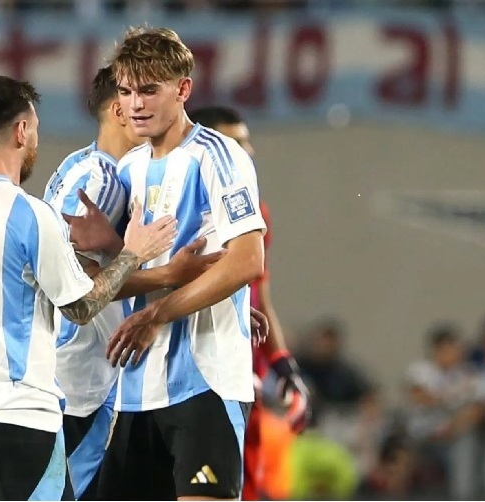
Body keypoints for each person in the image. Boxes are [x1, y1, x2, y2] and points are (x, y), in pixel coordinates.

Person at [0, 75, 177, 501]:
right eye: (36, 128)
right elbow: (81, 306)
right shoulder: (29, 214)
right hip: (21, 421)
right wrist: (132, 253)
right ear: (22, 131)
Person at [71, 27, 310, 501]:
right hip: (136, 387)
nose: (135, 104)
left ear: (182, 90)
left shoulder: (219, 157)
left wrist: (158, 312)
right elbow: (102, 282)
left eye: (149, 90)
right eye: (126, 91)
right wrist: (115, 249)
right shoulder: (129, 168)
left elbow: (246, 261)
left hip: (204, 383)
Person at [43, 66, 224, 500]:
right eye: (132, 96)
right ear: (116, 109)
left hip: (82, 374)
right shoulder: (102, 180)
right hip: (84, 379)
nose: (144, 108)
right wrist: (169, 275)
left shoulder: (87, 167)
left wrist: (211, 298)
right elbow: (79, 289)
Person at [188, 105, 308, 500]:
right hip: (190, 382)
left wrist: (280, 362)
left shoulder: (254, 213)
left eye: (246, 141)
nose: (249, 151)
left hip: (243, 382)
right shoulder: (183, 208)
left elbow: (261, 294)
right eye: (236, 143)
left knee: (245, 488)